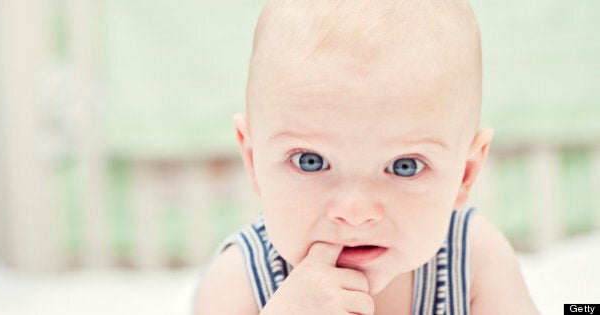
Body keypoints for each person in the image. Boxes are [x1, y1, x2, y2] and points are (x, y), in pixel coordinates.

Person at [194, 0, 538, 314]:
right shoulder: (240, 279)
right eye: (309, 161)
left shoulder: (475, 259)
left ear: (465, 174)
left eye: (405, 167)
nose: (354, 214)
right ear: (253, 161)